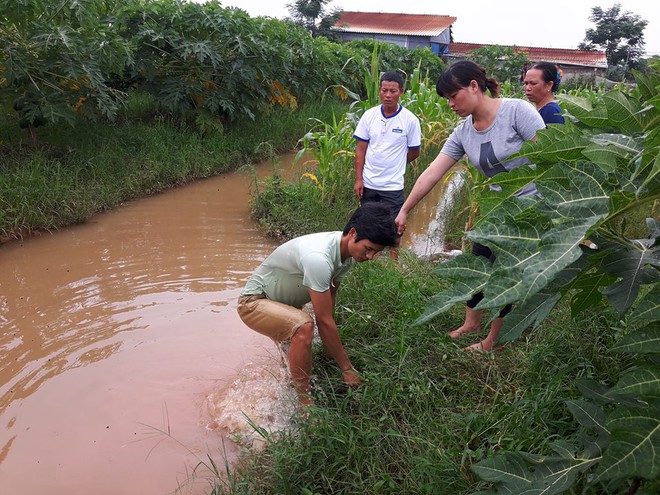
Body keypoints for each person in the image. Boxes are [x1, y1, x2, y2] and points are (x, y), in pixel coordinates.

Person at [395, 60, 545, 352]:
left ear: (474, 87)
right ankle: (471, 323)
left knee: (510, 272)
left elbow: (549, 154)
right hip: (499, 208)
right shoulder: (464, 132)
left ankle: (495, 340)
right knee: (476, 263)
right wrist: (405, 209)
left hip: (532, 208)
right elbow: (432, 172)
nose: (451, 104)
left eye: (454, 96)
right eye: (447, 99)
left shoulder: (517, 111)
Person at [237, 203, 399, 408]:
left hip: (284, 305)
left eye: (375, 252)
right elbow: (323, 319)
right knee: (304, 327)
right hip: (254, 302)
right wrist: (346, 368)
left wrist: (330, 351)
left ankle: (282, 398)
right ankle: (306, 406)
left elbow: (329, 302)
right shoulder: (319, 258)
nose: (370, 257)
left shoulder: (344, 255)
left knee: (291, 368)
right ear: (353, 233)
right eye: (368, 249)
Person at [353, 71, 422, 245]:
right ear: (380, 91)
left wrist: (397, 163)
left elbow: (415, 152)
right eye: (384, 90)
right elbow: (360, 150)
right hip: (369, 183)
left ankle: (393, 266)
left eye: (393, 91)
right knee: (368, 225)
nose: (388, 95)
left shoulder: (410, 121)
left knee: (394, 228)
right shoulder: (369, 116)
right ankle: (369, 260)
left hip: (393, 186)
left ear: (402, 92)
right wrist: (358, 179)